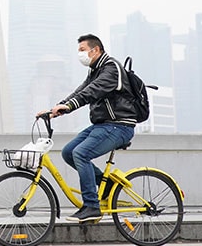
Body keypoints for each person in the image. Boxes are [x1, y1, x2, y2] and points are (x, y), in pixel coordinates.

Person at [36, 34, 137, 223]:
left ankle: (91, 206)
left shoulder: (111, 68)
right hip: (103, 125)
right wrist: (56, 109)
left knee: (81, 153)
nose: (80, 55)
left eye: (82, 50)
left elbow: (93, 91)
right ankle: (105, 186)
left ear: (95, 50)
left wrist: (70, 105)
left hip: (119, 126)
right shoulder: (95, 70)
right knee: (68, 152)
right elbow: (81, 91)